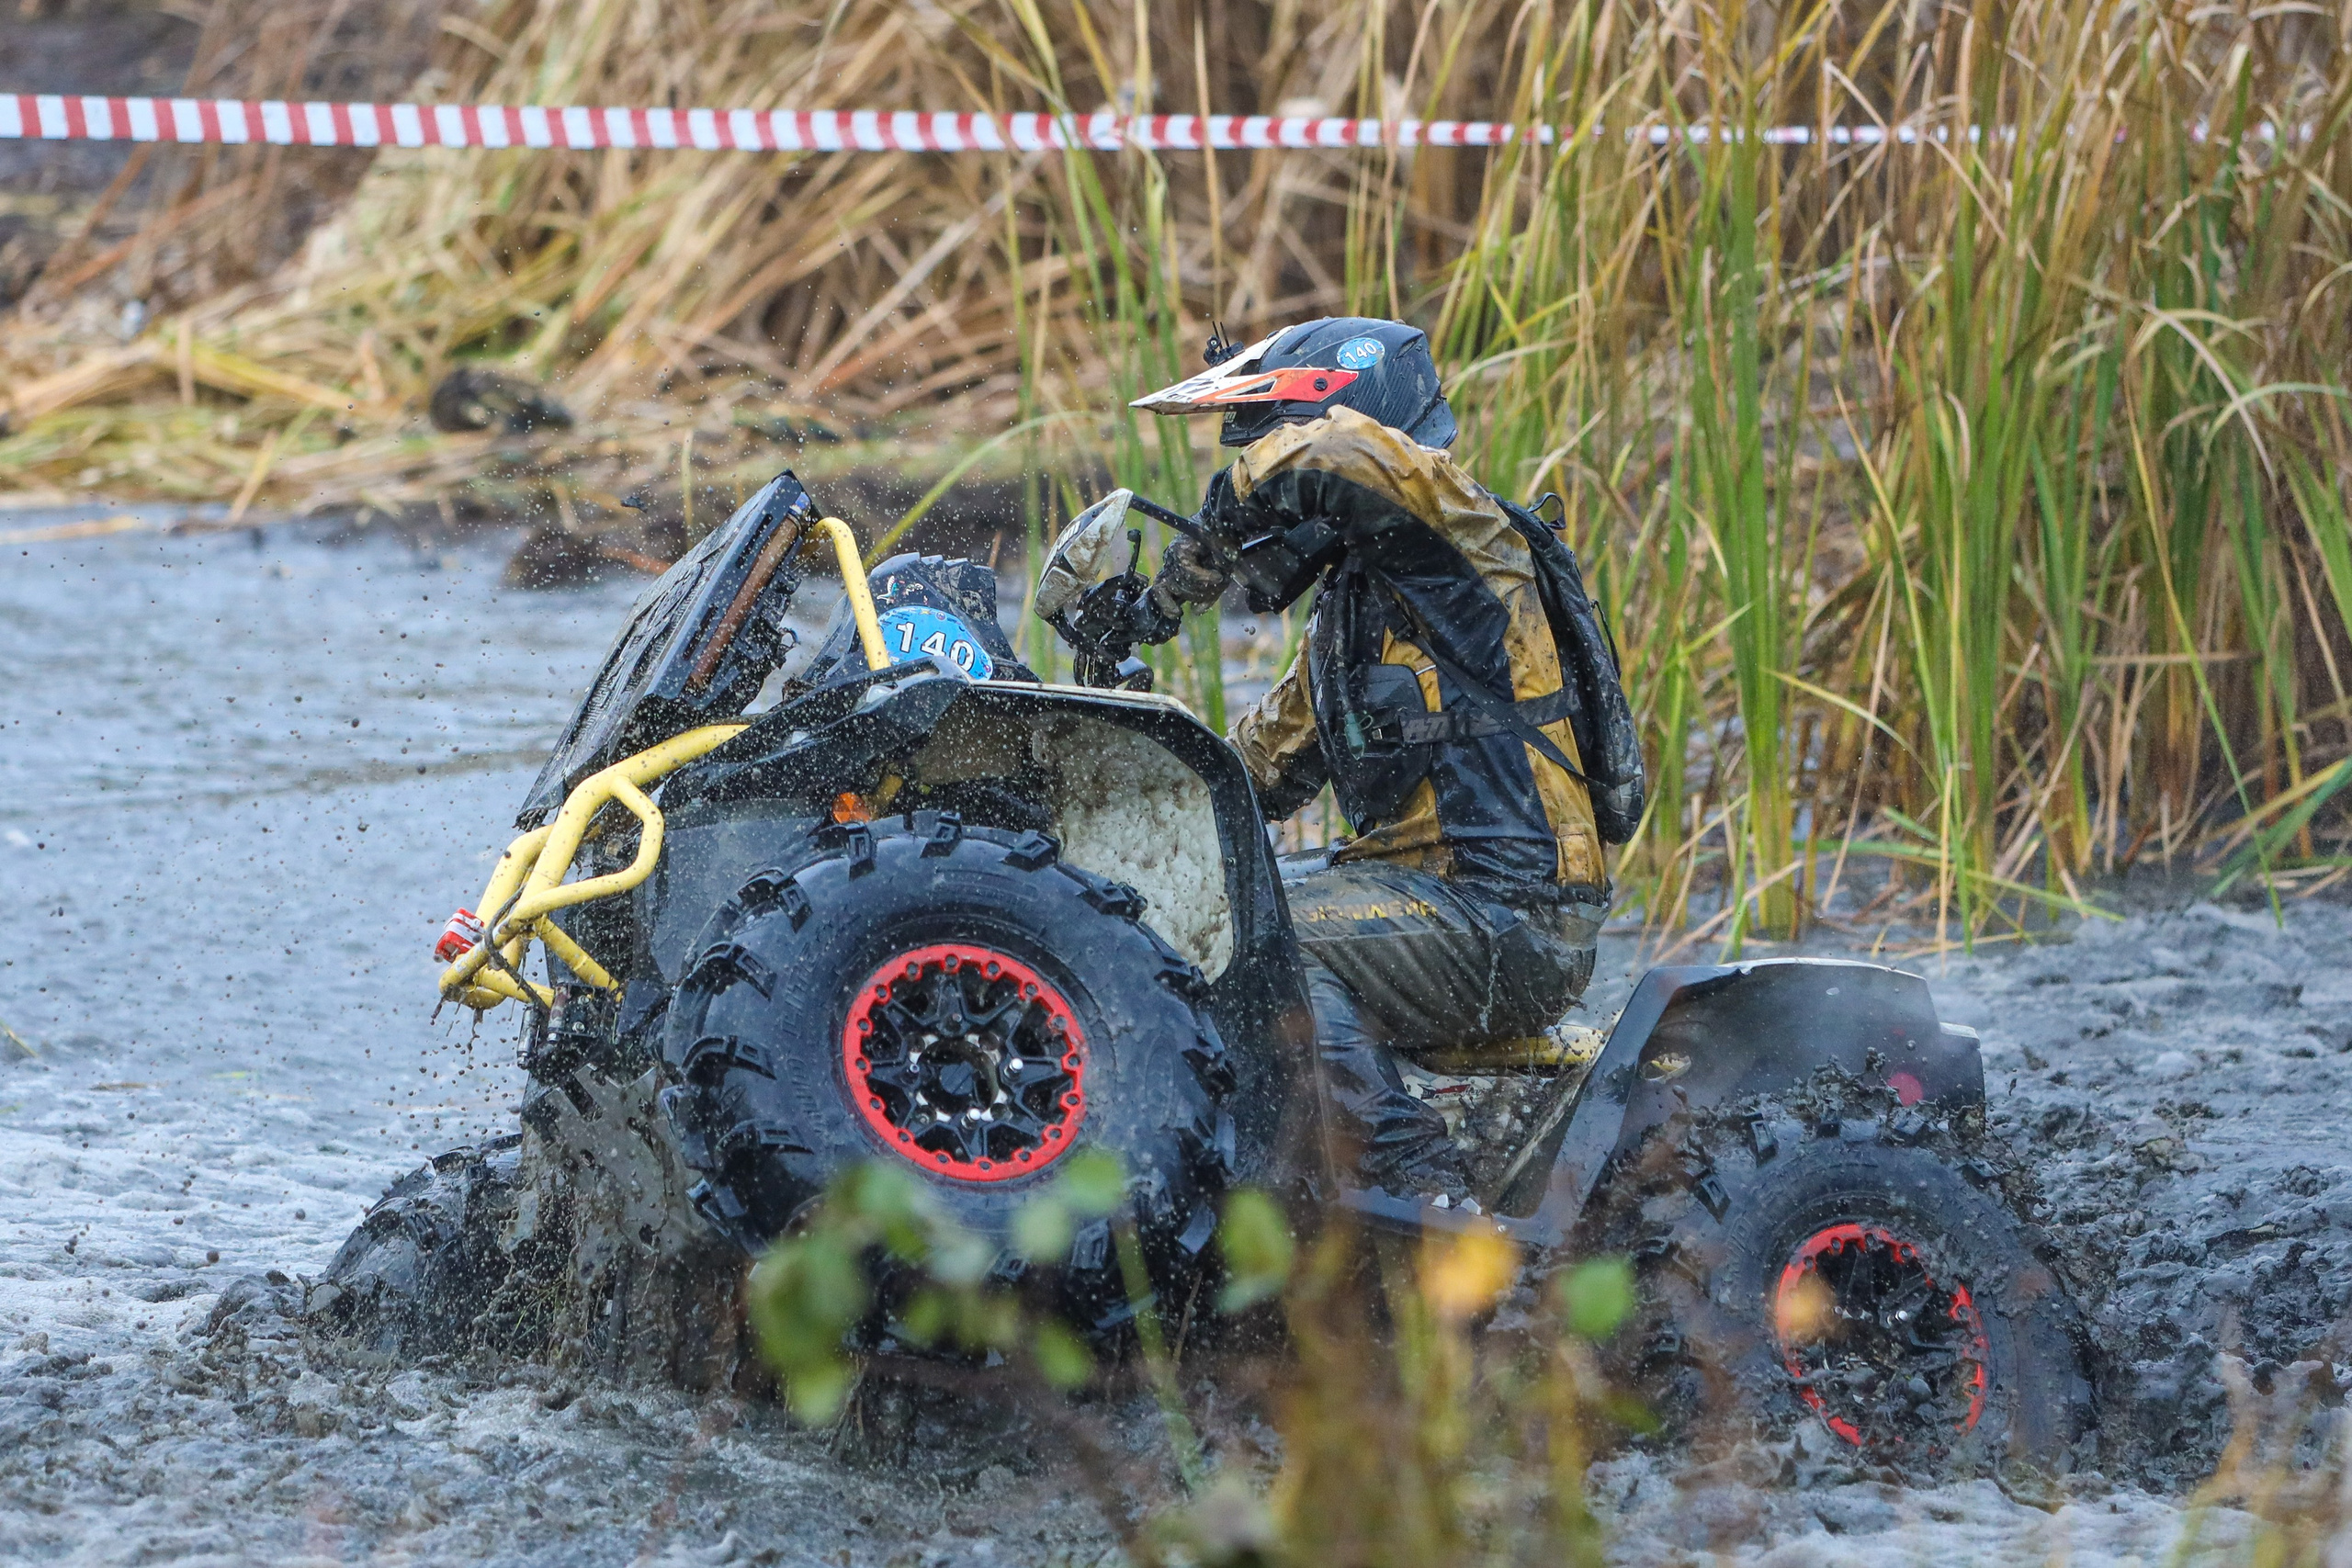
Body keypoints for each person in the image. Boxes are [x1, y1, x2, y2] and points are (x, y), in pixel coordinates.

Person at [1130, 317, 1610, 1209]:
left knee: (1266, 942)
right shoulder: (1351, 613)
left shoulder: (1468, 544)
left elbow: (1349, 452)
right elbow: (1240, 780)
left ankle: (1412, 1193)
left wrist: (1207, 540)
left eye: (1262, 444)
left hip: (1510, 911)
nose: (1264, 484)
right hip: (1421, 898)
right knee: (1203, 910)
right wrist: (1112, 803)